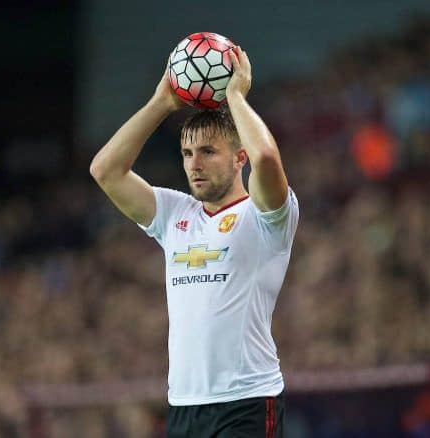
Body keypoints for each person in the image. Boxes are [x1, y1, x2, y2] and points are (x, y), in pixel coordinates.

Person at [90, 45, 298, 438]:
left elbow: (267, 159)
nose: (194, 164)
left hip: (249, 401)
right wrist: (161, 102)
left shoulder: (266, 215)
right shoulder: (176, 214)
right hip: (185, 405)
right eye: (187, 153)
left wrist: (235, 95)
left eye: (207, 151)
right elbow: (105, 170)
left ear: (239, 157)